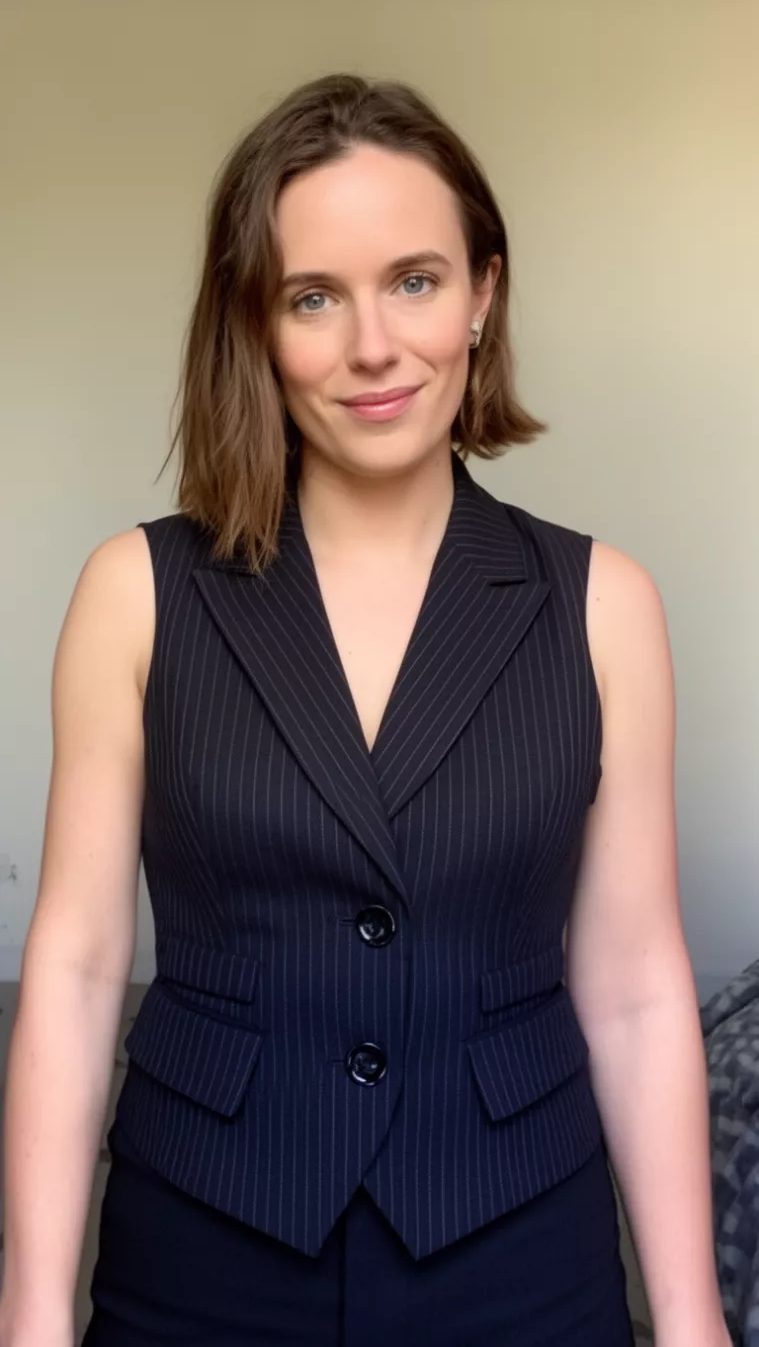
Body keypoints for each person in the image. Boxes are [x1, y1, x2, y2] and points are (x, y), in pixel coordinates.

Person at [0, 73, 730, 1347]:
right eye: (313, 297)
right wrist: (30, 1314)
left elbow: (632, 984)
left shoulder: (602, 604)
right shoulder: (137, 593)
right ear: (255, 323)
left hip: (520, 1255)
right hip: (202, 1253)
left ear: (483, 292)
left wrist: (690, 1316)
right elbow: (74, 967)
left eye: (415, 280)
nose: (374, 346)